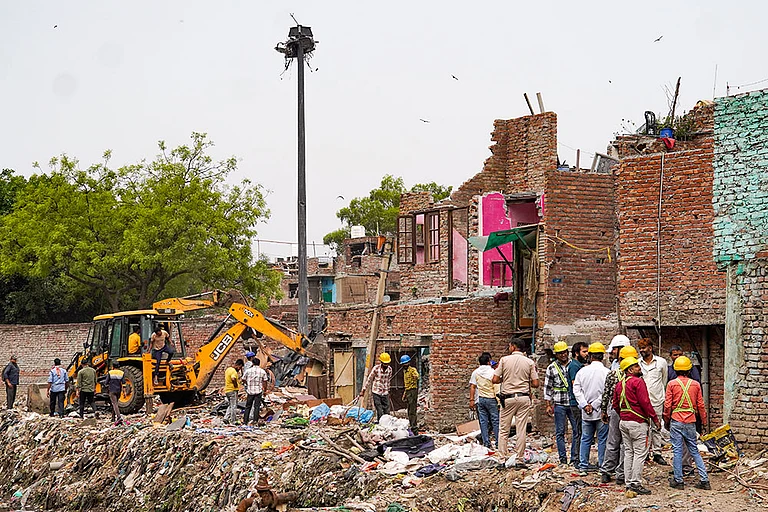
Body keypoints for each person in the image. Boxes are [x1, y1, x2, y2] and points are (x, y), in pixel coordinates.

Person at [613, 356, 661, 495]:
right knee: (640, 454)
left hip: (624, 422)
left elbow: (616, 404)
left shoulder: (620, 384)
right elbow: (645, 403)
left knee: (629, 453)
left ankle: (628, 482)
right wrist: (655, 419)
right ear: (630, 369)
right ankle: (635, 483)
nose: (639, 369)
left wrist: (625, 415)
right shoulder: (638, 382)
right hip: (638, 423)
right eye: (637, 367)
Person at [664, 356, 711, 490]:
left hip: (676, 420)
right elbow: (701, 405)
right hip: (690, 421)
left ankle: (678, 480)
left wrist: (666, 420)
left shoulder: (671, 384)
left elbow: (667, 406)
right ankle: (704, 480)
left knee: (677, 451)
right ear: (689, 370)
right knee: (694, 451)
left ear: (675, 369)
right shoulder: (695, 385)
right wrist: (704, 422)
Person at [492, 338, 540, 467]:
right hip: (524, 398)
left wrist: (505, 379)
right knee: (521, 429)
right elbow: (536, 383)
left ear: (513, 347)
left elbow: (495, 379)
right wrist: (524, 381)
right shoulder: (529, 362)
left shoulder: (504, 360)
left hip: (508, 398)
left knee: (503, 430)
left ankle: (502, 459)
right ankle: (519, 459)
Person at [600, 345, 639, 484]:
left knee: (613, 441)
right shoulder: (637, 376)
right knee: (626, 444)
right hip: (631, 412)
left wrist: (604, 410)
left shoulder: (613, 374)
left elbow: (606, 394)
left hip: (616, 411)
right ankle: (621, 473)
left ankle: (606, 470)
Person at [573, 343, 610, 471]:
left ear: (590, 356)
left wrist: (585, 405)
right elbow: (607, 392)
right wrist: (594, 405)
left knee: (586, 438)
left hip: (586, 412)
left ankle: (583, 464)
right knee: (602, 440)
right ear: (602, 356)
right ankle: (602, 464)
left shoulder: (582, 372)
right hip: (601, 411)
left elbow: (576, 390)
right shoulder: (607, 372)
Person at [667, 345, 702, 474]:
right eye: (675, 355)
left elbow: (698, 395)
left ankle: (683, 469)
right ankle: (681, 470)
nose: (678, 357)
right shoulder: (670, 371)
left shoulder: (692, 372)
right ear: (671, 356)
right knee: (681, 445)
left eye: (680, 354)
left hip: (687, 412)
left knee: (687, 445)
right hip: (677, 413)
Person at [544, 342, 578, 465]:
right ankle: (562, 458)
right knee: (560, 432)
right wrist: (548, 404)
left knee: (576, 430)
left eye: (565, 352)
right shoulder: (552, 368)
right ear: (556, 354)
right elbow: (548, 388)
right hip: (559, 403)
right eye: (560, 353)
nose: (563, 355)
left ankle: (574, 457)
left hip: (573, 403)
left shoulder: (573, 365)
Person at [638, 338, 668, 465]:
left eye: (643, 348)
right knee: (643, 428)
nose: (641, 350)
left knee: (656, 427)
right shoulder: (637, 363)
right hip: (641, 401)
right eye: (640, 348)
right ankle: (644, 454)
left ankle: (657, 453)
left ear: (650, 348)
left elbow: (664, 381)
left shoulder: (661, 362)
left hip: (657, 399)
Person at [469, 352, 499, 449]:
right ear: (489, 361)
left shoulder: (476, 372)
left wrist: (471, 400)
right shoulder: (493, 372)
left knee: (483, 421)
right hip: (491, 399)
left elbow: (472, 387)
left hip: (481, 399)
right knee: (495, 421)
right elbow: (496, 387)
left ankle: (486, 442)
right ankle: (498, 442)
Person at [567, 342, 589, 465]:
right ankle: (576, 458)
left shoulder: (579, 365)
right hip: (576, 403)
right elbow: (577, 385)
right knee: (579, 431)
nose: (586, 354)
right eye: (584, 352)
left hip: (578, 402)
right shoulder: (575, 367)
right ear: (576, 353)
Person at [360, 353, 393, 421]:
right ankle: (380, 422)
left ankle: (387, 423)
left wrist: (389, 391)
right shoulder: (376, 368)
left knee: (387, 409)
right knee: (379, 409)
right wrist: (363, 390)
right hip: (376, 391)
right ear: (381, 362)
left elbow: (388, 381)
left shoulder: (390, 370)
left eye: (387, 363)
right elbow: (369, 379)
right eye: (385, 363)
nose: (386, 365)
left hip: (385, 392)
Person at [242, 357, 269, 425]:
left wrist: (247, 383)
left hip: (250, 391)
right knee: (257, 406)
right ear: (259, 363)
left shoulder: (248, 371)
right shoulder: (262, 371)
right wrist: (265, 390)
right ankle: (255, 420)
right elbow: (265, 381)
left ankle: (245, 420)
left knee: (248, 406)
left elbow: (243, 379)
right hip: (258, 391)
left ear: (253, 363)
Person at [401, 354, 419, 430]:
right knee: (409, 409)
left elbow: (417, 376)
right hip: (408, 391)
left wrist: (415, 376)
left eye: (405, 363)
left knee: (412, 409)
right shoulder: (404, 371)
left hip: (413, 391)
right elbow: (406, 384)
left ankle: (414, 426)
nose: (404, 365)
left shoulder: (412, 370)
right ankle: (411, 424)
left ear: (408, 363)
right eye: (403, 364)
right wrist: (405, 393)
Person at [224, 359, 244, 425]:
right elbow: (233, 378)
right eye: (240, 367)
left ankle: (226, 418)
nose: (240, 369)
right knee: (234, 406)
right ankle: (233, 420)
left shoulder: (228, 369)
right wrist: (235, 385)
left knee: (230, 405)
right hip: (232, 390)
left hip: (227, 390)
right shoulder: (233, 371)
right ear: (239, 365)